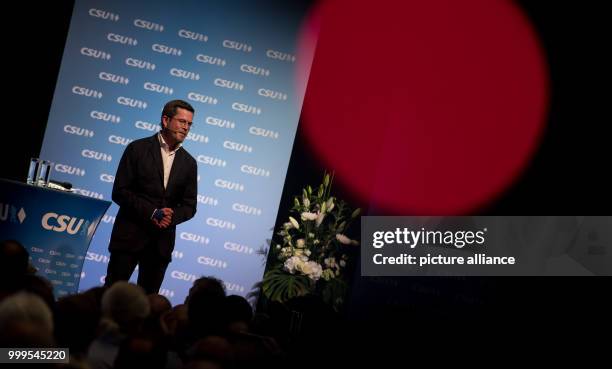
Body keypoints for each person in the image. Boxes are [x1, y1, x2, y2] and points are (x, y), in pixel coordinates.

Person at [105, 100, 198, 294]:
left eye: (189, 124)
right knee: (111, 296)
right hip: (129, 238)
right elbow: (120, 191)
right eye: (181, 121)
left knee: (148, 306)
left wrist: (171, 215)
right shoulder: (137, 149)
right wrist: (153, 213)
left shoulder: (189, 163)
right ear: (165, 120)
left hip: (160, 246)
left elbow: (189, 206)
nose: (186, 127)